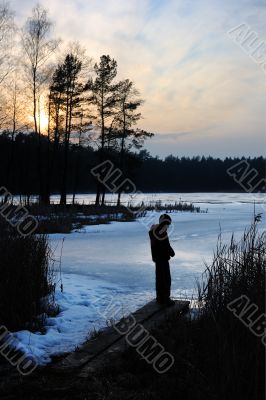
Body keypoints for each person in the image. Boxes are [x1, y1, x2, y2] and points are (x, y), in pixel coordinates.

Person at [149, 214, 175, 306]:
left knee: (160, 279)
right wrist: (171, 252)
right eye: (167, 223)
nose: (168, 226)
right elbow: (164, 244)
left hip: (158, 258)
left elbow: (163, 243)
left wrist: (170, 251)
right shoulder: (160, 231)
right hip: (162, 258)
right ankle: (165, 299)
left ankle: (160, 298)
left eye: (169, 224)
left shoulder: (155, 230)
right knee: (165, 279)